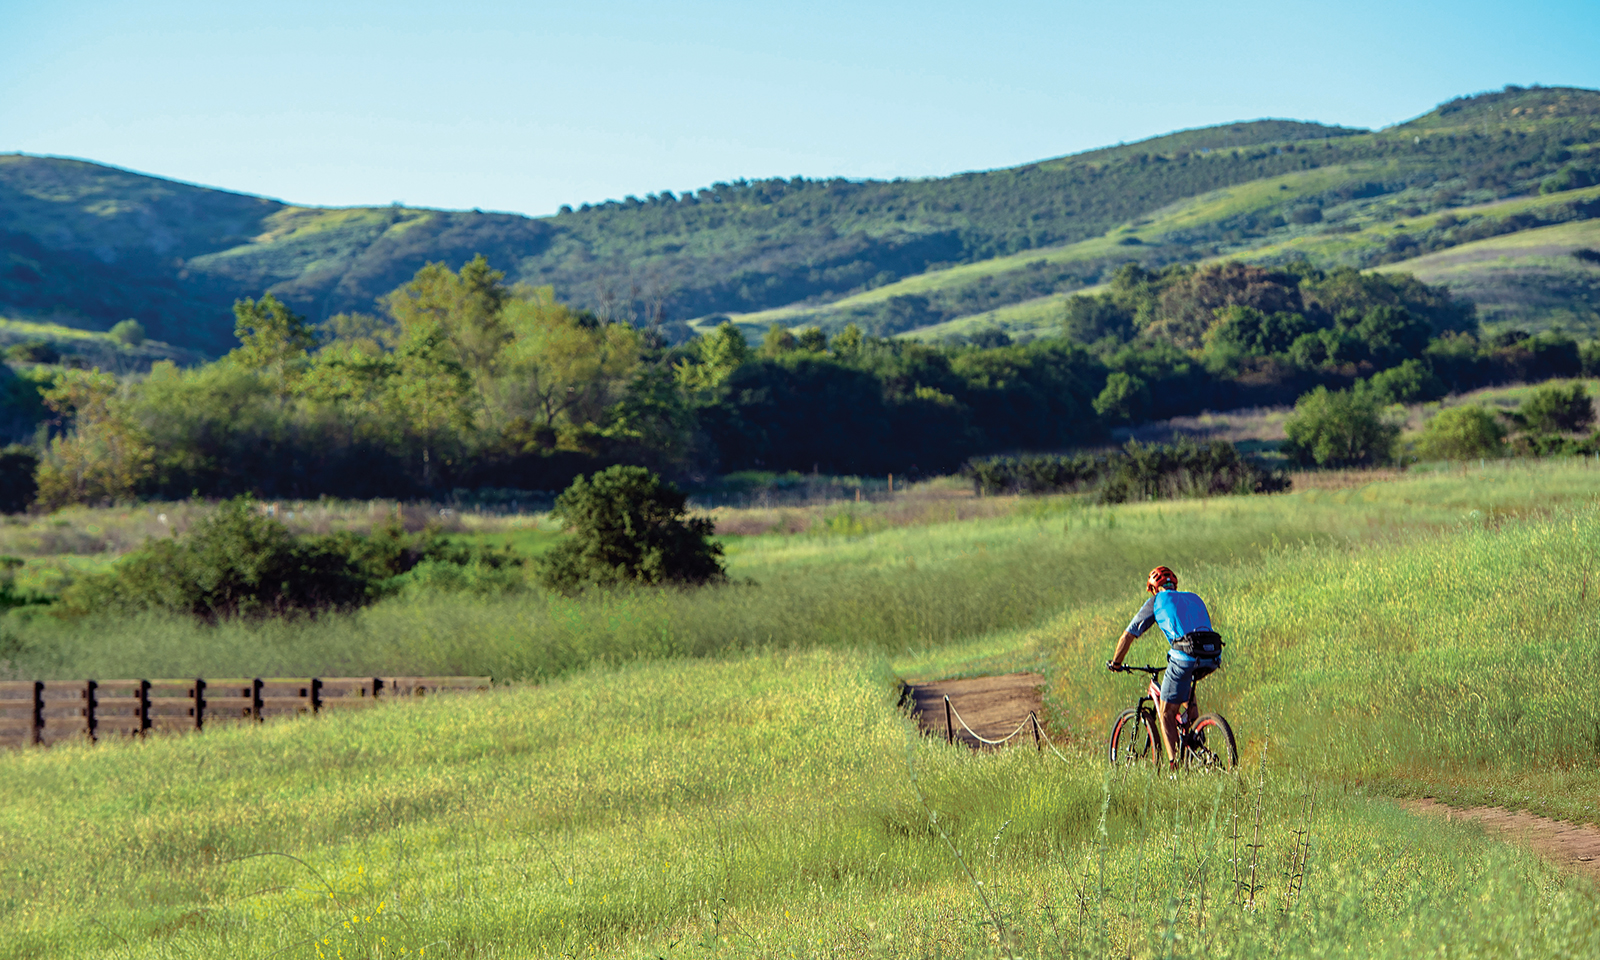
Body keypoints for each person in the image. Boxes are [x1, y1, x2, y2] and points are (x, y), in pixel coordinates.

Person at [1106, 565, 1224, 767]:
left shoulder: (1156, 600)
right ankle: (1196, 741)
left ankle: (1174, 768)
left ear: (1153, 588)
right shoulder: (1192, 597)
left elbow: (1128, 635)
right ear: (1175, 585)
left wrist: (1116, 663)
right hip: (1212, 654)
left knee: (1167, 712)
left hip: (1185, 655)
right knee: (1186, 689)